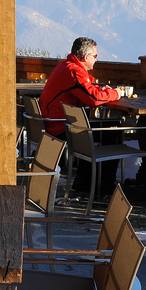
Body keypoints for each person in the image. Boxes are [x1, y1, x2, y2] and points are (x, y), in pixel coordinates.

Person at [38, 37, 124, 193]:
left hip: (55, 123)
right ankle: (100, 185)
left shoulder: (66, 67)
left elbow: (87, 91)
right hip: (60, 127)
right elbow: (94, 98)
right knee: (113, 132)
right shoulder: (74, 71)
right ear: (86, 57)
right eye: (95, 56)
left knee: (102, 130)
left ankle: (86, 181)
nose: (96, 60)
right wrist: (115, 93)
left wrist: (103, 92)